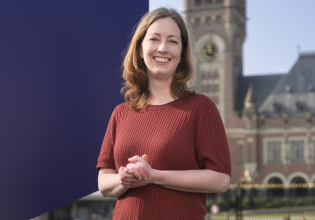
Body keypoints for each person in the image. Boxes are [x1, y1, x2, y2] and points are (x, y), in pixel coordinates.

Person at [96, 7, 231, 220]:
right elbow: (104, 183)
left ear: (182, 54)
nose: (163, 48)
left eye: (173, 41)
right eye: (154, 39)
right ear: (140, 49)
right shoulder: (120, 113)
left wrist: (154, 176)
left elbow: (220, 180)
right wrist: (124, 178)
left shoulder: (201, 108)